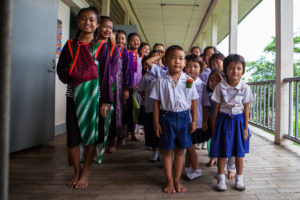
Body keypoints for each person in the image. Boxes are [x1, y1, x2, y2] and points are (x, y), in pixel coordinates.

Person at [57, 6, 112, 189]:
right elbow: (62, 70)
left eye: (91, 20)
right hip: (74, 96)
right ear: (78, 22)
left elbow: (105, 75)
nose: (87, 22)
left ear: (97, 24)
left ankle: (86, 172)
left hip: (94, 98)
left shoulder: (102, 47)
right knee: (72, 137)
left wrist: (105, 101)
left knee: (91, 136)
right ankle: (76, 172)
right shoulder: (70, 45)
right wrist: (75, 70)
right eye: (83, 19)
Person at [149, 45, 198, 193]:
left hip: (184, 118)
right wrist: (156, 123)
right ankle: (169, 180)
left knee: (180, 150)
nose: (177, 61)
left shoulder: (189, 81)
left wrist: (194, 121)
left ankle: (177, 180)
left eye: (181, 58)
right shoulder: (160, 80)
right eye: (173, 57)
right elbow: (156, 103)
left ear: (184, 63)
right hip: (166, 117)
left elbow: (193, 102)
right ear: (165, 61)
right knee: (167, 150)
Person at [210, 54, 253, 191]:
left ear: (243, 71)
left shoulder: (245, 88)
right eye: (232, 68)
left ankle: (239, 178)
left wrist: (245, 128)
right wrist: (215, 126)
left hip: (239, 121)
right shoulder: (220, 87)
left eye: (239, 68)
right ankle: (221, 178)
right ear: (226, 70)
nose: (235, 71)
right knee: (222, 151)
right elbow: (216, 108)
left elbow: (246, 109)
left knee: (239, 152)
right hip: (223, 120)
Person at [183, 54, 208, 181]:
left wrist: (204, 121)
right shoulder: (183, 82)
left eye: (195, 66)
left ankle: (197, 169)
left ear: (200, 69)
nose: (192, 69)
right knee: (189, 144)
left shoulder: (202, 85)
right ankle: (188, 166)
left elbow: (205, 105)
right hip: (184, 118)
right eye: (188, 66)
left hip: (196, 120)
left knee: (190, 144)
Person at [137, 55, 160, 161]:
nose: (156, 64)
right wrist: (144, 97)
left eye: (158, 61)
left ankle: (161, 152)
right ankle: (155, 152)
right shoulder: (147, 76)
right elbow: (140, 89)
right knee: (152, 131)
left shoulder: (164, 73)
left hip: (163, 109)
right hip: (150, 107)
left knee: (162, 131)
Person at [127, 33, 143, 141]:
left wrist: (139, 86)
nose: (135, 42)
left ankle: (133, 133)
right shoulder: (126, 54)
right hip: (127, 87)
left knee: (136, 110)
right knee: (127, 110)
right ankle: (124, 134)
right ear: (128, 42)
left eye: (137, 40)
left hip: (138, 88)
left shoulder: (142, 56)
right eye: (133, 40)